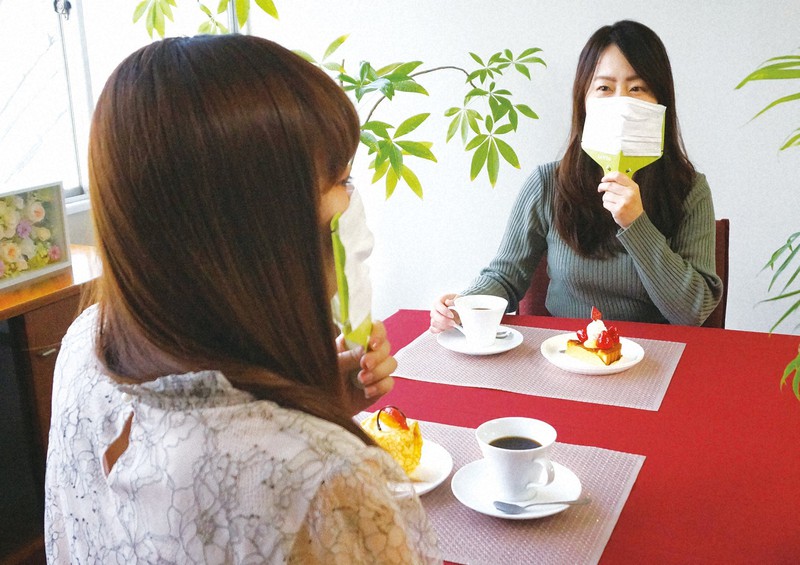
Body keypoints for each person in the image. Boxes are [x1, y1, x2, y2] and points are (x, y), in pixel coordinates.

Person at [44, 34, 441, 564]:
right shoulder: (327, 480)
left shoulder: (81, 347)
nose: (353, 202)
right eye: (342, 179)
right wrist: (310, 434)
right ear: (261, 225)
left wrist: (309, 397)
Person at [430, 20, 722, 331]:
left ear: (661, 99)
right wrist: (462, 305)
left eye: (637, 88)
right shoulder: (547, 184)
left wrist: (636, 223)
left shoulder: (690, 189)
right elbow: (505, 277)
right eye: (604, 88)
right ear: (583, 101)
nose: (621, 101)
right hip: (565, 353)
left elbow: (693, 312)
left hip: (656, 357)